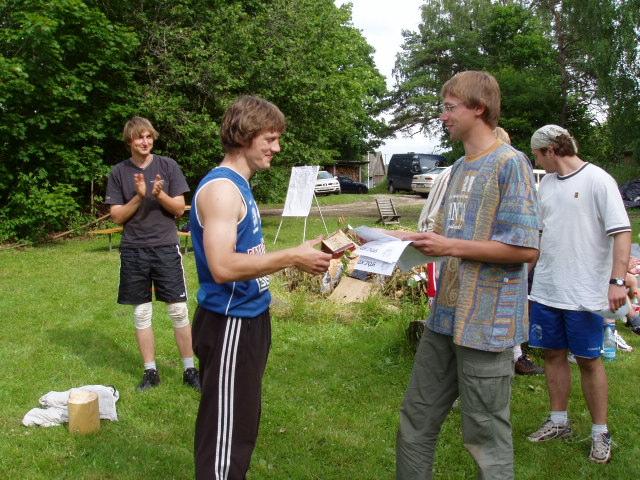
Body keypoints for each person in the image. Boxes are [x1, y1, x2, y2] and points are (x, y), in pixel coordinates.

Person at [395, 71, 540, 480]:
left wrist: (449, 246)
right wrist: (397, 241)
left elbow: (525, 250)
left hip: (486, 325)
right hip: (444, 318)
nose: (443, 116)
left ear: (478, 108)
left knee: (485, 437)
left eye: (449, 107)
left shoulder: (511, 164)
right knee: (415, 421)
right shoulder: (458, 167)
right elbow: (446, 235)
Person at [190, 95, 332, 480]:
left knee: (240, 424)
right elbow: (222, 266)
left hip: (250, 319)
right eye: (270, 138)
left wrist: (301, 251)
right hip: (229, 324)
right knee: (224, 438)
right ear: (245, 135)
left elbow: (245, 255)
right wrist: (291, 257)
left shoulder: (240, 185)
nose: (277, 148)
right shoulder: (222, 190)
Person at [526, 124, 631, 464]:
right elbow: (539, 235)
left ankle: (601, 433)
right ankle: (559, 422)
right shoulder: (546, 185)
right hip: (547, 289)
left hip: (584, 291)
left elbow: (622, 232)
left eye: (538, 155)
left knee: (588, 360)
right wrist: (524, 277)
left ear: (551, 151)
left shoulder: (598, 180)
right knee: (552, 354)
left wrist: (617, 281)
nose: (538, 161)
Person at [106, 116, 200, 391]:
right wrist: (139, 196)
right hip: (134, 250)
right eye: (140, 137)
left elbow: (179, 209)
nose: (145, 142)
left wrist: (159, 195)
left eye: (149, 136)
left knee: (178, 310)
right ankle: (151, 372)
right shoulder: (119, 172)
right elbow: (117, 216)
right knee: (142, 313)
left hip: (165, 246)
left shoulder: (168, 166)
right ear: (129, 141)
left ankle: (190, 370)